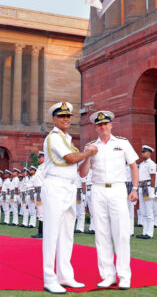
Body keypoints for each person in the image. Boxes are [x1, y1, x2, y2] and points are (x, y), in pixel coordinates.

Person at [41, 101, 97, 294]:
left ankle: (65, 275)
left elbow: (81, 172)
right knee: (52, 233)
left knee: (66, 233)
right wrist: (87, 152)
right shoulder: (54, 137)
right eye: (61, 116)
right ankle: (50, 278)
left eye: (68, 116)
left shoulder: (67, 138)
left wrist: (88, 156)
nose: (65, 119)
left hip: (69, 187)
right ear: (54, 119)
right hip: (55, 185)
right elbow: (70, 158)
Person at [80, 110, 139, 290]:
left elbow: (133, 166)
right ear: (95, 128)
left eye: (106, 123)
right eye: (99, 125)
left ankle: (124, 275)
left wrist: (135, 188)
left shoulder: (122, 143)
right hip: (98, 189)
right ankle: (108, 275)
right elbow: (82, 173)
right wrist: (88, 155)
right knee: (102, 234)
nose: (103, 127)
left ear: (111, 125)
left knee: (121, 233)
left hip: (117, 188)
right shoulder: (90, 146)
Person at [136, 145, 156, 239]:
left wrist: (151, 191)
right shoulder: (142, 164)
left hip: (147, 188)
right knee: (143, 210)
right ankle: (144, 232)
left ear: (149, 153)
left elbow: (153, 178)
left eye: (144, 152)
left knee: (149, 211)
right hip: (141, 187)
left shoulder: (151, 164)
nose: (142, 153)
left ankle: (149, 233)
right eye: (142, 152)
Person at [32, 151, 45, 238]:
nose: (38, 158)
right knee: (39, 212)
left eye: (40, 157)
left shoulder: (45, 168)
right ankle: (41, 232)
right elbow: (36, 182)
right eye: (38, 157)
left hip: (42, 191)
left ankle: (41, 232)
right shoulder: (39, 167)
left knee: (41, 213)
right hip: (37, 191)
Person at [74, 169, 86, 234]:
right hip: (75, 192)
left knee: (81, 212)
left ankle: (81, 228)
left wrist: (84, 194)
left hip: (80, 192)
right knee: (77, 212)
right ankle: (78, 227)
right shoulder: (73, 173)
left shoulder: (81, 173)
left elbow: (83, 184)